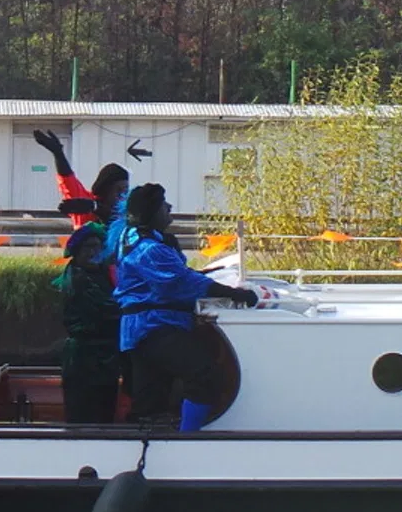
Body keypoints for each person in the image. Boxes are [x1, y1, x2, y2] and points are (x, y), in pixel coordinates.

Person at [112, 183, 258, 432]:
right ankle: (188, 438)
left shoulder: (141, 241)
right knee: (204, 375)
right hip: (152, 327)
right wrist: (234, 294)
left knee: (153, 396)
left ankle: (159, 436)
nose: (169, 208)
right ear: (151, 212)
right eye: (163, 204)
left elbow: (180, 276)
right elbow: (183, 282)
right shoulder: (148, 249)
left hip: (149, 327)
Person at [54, 221, 121, 423]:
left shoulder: (100, 274)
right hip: (84, 359)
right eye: (88, 247)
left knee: (105, 413)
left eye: (98, 247)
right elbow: (110, 310)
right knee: (85, 416)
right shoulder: (78, 279)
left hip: (105, 357)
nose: (94, 252)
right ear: (76, 251)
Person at [31, 130, 128, 230]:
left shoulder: (127, 211)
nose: (122, 196)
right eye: (119, 190)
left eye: (126, 190)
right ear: (106, 189)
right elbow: (68, 180)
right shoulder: (85, 204)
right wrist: (58, 154)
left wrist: (96, 208)